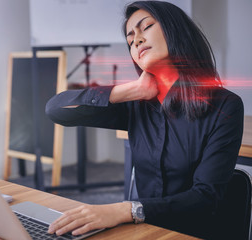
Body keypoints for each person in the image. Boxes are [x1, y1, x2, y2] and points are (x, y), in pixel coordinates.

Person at [45, 1, 244, 238]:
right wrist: (129, 91)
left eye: (146, 26)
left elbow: (204, 197)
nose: (136, 40)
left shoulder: (225, 105)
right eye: (130, 40)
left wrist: (126, 209)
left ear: (175, 31)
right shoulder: (136, 104)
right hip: (143, 230)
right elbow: (56, 109)